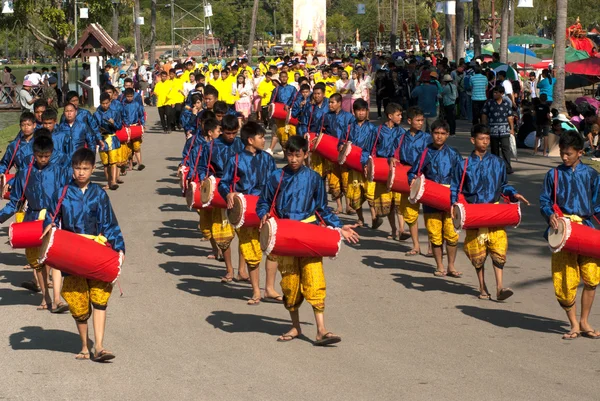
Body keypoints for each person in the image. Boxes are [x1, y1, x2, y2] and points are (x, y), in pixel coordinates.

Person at [256, 135, 359, 345]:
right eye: (290, 154)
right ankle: (295, 326)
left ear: (305, 155)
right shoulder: (276, 176)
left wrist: (339, 226)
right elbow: (263, 202)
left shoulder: (314, 178)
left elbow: (322, 208)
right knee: (290, 283)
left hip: (309, 235)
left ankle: (321, 329)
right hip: (285, 237)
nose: (293, 159)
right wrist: (264, 213)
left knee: (315, 279)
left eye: (298, 155)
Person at [43, 147, 125, 360]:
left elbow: (109, 223)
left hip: (96, 252)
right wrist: (48, 229)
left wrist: (119, 248)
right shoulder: (62, 193)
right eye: (77, 168)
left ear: (92, 169)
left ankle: (99, 346)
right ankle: (83, 346)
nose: (81, 172)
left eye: (85, 169)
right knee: (78, 302)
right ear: (72, 169)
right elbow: (51, 219)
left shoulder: (99, 194)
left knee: (99, 297)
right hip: (71, 256)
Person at [450, 124, 530, 300]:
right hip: (474, 214)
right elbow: (456, 188)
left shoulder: (497, 162)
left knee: (498, 249)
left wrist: (513, 193)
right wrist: (453, 205)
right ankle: (482, 286)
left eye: (487, 139)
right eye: (481, 138)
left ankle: (500, 287)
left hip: (493, 212)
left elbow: (503, 186)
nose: (485, 142)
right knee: (477, 253)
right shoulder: (463, 165)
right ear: (473, 140)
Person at [0, 134, 71, 312]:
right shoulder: (25, 174)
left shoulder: (59, 171)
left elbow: (67, 196)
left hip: (54, 218)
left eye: (47, 156)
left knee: (54, 259)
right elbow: (15, 202)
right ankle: (45, 298)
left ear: (51, 153)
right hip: (32, 220)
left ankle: (57, 299)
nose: (43, 159)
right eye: (40, 156)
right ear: (34, 154)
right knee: (37, 262)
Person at [539, 132, 600, 340]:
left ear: (580, 153)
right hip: (562, 231)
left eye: (568, 154)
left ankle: (584, 321)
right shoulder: (553, 175)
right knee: (565, 280)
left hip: (586, 228)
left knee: (592, 276)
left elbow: (598, 206)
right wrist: (550, 216)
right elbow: (545, 202)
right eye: (562, 153)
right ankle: (573, 324)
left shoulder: (592, 175)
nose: (564, 157)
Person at [218, 121, 282, 305]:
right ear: (250, 140)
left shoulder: (268, 159)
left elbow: (276, 182)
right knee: (251, 249)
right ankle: (256, 291)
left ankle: (269, 288)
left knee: (272, 247)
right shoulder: (236, 159)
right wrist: (228, 193)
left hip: (267, 209)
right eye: (262, 137)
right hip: (246, 211)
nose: (264, 140)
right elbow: (224, 182)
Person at [407, 119, 463, 277]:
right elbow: (413, 172)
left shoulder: (454, 154)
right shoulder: (424, 153)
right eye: (436, 133)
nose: (439, 136)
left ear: (448, 135)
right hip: (430, 198)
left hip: (450, 197)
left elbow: (462, 175)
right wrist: (412, 180)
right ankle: (439, 266)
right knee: (434, 232)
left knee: (452, 233)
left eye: (442, 134)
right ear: (431, 134)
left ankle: (451, 266)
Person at [196, 115, 246, 282]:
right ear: (222, 130)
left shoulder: (242, 144)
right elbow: (203, 167)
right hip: (219, 190)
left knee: (244, 233)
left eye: (234, 133)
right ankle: (229, 269)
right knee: (223, 234)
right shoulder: (210, 146)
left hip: (240, 190)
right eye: (228, 133)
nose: (231, 136)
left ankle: (243, 270)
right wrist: (205, 180)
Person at [389, 106, 432, 256]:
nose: (420, 123)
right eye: (418, 120)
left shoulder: (427, 138)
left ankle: (432, 247)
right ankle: (416, 245)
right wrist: (392, 159)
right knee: (410, 213)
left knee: (429, 214)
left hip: (425, 177)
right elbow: (394, 155)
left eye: (422, 120)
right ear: (409, 121)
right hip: (406, 177)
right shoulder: (400, 138)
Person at [339, 99, 377, 227]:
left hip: (367, 163)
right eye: (358, 110)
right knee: (354, 193)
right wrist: (341, 146)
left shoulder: (372, 128)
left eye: (363, 110)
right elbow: (341, 141)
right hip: (353, 165)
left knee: (370, 192)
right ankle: (360, 218)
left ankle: (374, 216)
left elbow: (376, 146)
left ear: (367, 112)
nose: (361, 113)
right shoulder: (349, 127)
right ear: (354, 112)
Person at [322, 93, 355, 214]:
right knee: (333, 179)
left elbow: (352, 133)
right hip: (330, 151)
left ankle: (348, 205)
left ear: (339, 103)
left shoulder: (349, 117)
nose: (330, 104)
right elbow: (323, 132)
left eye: (332, 102)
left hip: (344, 151)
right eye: (329, 102)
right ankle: (339, 206)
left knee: (346, 178)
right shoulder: (326, 116)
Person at [481, 85, 515, 174]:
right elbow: (484, 114)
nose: (494, 94)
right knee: (494, 150)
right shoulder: (489, 103)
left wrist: (512, 128)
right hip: (493, 130)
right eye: (494, 93)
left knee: (506, 149)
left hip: (504, 130)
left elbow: (510, 117)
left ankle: (508, 167)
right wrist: (484, 127)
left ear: (501, 94)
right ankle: (495, 167)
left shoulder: (506, 104)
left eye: (496, 93)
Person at [94, 92, 123, 190]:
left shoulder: (114, 112)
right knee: (105, 163)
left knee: (113, 162)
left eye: (107, 103)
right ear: (100, 102)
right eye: (103, 103)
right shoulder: (96, 114)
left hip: (112, 138)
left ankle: (113, 181)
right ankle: (108, 182)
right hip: (102, 140)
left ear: (110, 102)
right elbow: (94, 127)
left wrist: (113, 123)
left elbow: (119, 126)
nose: (105, 105)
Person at [268, 71, 298, 153]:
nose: (284, 78)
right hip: (280, 115)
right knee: (281, 134)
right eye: (282, 77)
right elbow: (272, 102)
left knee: (292, 133)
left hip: (291, 114)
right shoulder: (276, 89)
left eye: (285, 76)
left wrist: (289, 105)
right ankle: (286, 154)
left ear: (288, 78)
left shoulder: (292, 88)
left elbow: (296, 99)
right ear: (279, 78)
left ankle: (293, 152)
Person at [121, 88, 146, 171]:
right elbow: (122, 116)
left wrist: (142, 124)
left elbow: (141, 115)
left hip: (135, 126)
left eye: (131, 96)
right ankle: (130, 165)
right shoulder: (123, 105)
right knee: (129, 148)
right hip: (126, 127)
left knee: (136, 146)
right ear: (125, 96)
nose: (129, 98)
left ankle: (140, 163)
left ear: (133, 96)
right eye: (127, 96)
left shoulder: (137, 104)